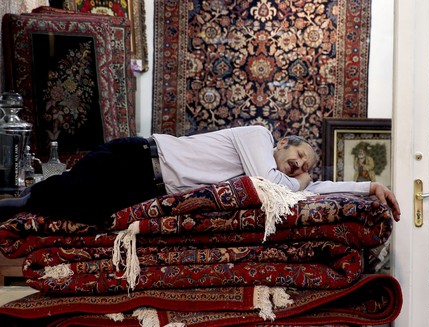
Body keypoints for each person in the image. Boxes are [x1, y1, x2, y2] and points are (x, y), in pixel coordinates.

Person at [0, 125, 401, 224]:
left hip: (144, 186)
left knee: (76, 213)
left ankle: (16, 207)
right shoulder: (258, 137)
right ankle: (10, 206)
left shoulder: (285, 175)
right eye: (298, 155)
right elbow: (271, 184)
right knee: (52, 196)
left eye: (305, 166)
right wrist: (298, 183)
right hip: (136, 160)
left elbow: (313, 188)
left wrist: (369, 186)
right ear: (282, 144)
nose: (299, 166)